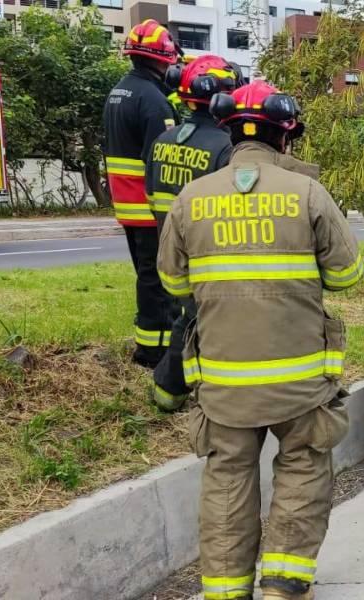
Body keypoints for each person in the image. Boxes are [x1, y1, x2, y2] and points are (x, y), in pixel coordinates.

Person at [158, 80, 363, 600]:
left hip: (223, 379)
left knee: (227, 477)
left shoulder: (191, 198)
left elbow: (175, 284)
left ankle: (226, 592)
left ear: (226, 134)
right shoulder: (309, 193)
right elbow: (344, 275)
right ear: (285, 138)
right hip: (300, 380)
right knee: (302, 468)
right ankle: (283, 587)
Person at [144, 54, 238, 411]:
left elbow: (152, 195)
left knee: (182, 312)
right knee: (197, 319)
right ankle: (169, 388)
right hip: (204, 252)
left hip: (167, 245)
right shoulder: (224, 148)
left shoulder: (163, 141)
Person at [103, 19, 180, 368]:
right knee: (157, 281)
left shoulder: (119, 91)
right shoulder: (154, 102)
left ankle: (150, 345)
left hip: (127, 203)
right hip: (148, 207)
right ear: (162, 59)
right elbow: (161, 159)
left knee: (146, 275)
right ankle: (153, 352)